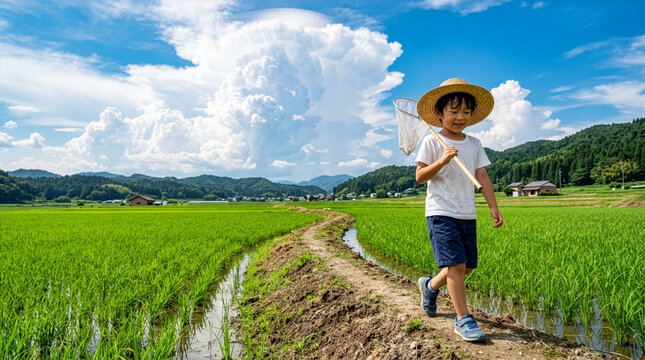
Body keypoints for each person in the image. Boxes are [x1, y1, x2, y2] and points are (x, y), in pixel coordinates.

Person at [414, 78, 503, 342]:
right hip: (440, 212)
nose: (460, 117)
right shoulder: (433, 142)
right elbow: (420, 176)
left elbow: (483, 178)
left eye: (465, 111)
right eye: (453, 111)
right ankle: (463, 318)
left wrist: (493, 206)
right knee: (455, 264)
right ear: (439, 114)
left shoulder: (474, 144)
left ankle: (429, 286)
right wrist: (442, 160)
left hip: (467, 213)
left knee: (466, 268)